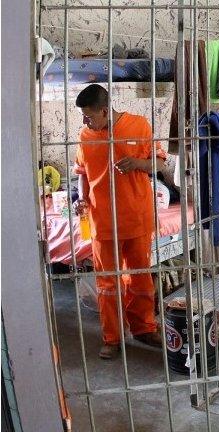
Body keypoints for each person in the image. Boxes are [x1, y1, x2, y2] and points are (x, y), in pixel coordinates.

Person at [73, 84, 166, 359]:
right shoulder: (85, 135)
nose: (85, 121)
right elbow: (82, 171)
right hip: (103, 223)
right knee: (107, 285)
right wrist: (81, 196)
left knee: (140, 280)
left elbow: (159, 163)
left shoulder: (139, 126)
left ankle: (144, 329)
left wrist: (137, 164)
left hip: (137, 219)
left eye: (89, 116)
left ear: (104, 110)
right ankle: (112, 338)